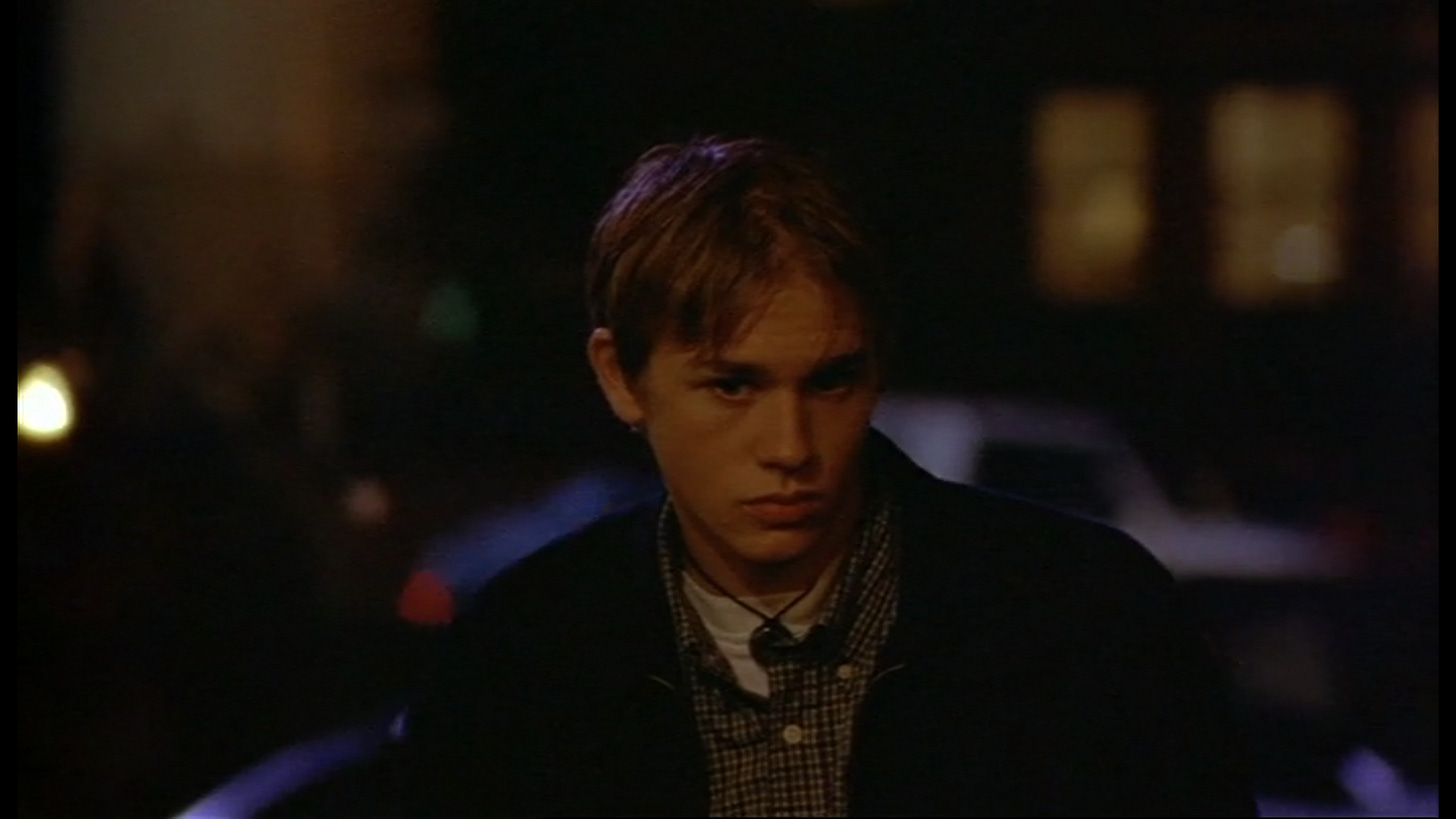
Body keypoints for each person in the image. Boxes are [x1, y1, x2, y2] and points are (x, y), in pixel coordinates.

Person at [392, 135, 1259, 816]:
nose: (791, 444)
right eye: (733, 384)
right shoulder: (521, 658)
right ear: (622, 378)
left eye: (831, 380)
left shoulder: (1086, 623)